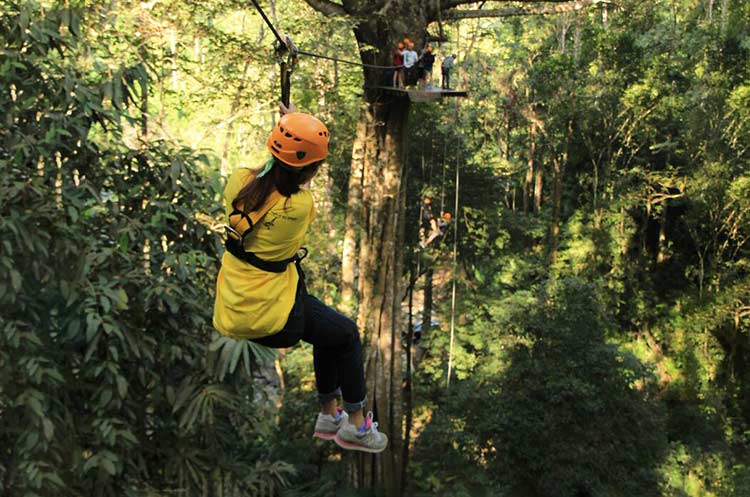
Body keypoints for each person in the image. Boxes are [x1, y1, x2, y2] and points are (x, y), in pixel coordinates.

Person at [213, 103, 388, 454]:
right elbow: (288, 183)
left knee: (331, 335)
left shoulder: (237, 181)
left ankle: (328, 416)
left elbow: (265, 175)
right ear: (311, 169)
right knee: (348, 335)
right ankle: (355, 425)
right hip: (275, 314)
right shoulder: (300, 206)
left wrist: (288, 128)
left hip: (234, 303)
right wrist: (294, 129)